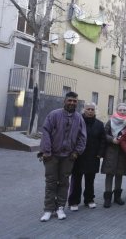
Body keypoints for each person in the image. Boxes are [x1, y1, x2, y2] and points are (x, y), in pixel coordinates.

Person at [39, 91, 87, 222]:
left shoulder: (79, 118)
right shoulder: (54, 115)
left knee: (64, 182)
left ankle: (60, 208)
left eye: (74, 101)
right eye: (70, 100)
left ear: (77, 103)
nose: (72, 103)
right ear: (64, 101)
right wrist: (47, 151)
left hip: (68, 157)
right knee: (50, 182)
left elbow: (82, 137)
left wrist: (77, 152)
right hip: (52, 155)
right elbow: (46, 132)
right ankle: (48, 209)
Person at [68, 102, 106, 212]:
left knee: (90, 180)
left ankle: (89, 200)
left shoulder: (99, 124)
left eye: (92, 109)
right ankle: (74, 201)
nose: (90, 111)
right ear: (84, 110)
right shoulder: (78, 122)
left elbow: (103, 140)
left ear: (95, 111)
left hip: (93, 156)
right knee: (76, 180)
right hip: (79, 156)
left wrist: (100, 153)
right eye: (88, 109)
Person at [101, 103, 126, 208]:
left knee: (119, 174)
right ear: (117, 111)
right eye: (120, 110)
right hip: (111, 151)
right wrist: (112, 139)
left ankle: (117, 197)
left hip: (122, 152)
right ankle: (107, 198)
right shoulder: (111, 121)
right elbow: (104, 134)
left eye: (124, 110)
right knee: (109, 174)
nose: (122, 112)